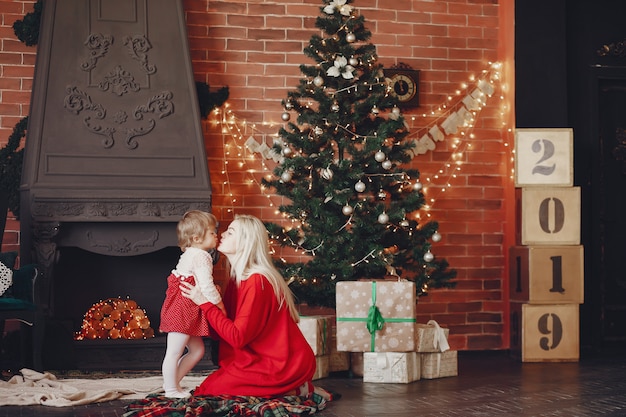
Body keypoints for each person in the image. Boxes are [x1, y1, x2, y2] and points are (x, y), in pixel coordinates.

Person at [179, 214, 317, 398]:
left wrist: (204, 303)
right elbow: (222, 328)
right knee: (208, 389)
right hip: (250, 357)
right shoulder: (235, 280)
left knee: (210, 392)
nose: (223, 234)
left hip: (280, 364)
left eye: (231, 231)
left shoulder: (257, 282)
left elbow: (236, 337)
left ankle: (295, 388)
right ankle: (283, 390)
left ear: (246, 242)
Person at [159, 210, 226, 399]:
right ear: (197, 238)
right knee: (174, 351)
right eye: (212, 232)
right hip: (183, 309)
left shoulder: (191, 252)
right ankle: (171, 389)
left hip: (184, 307)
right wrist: (219, 305)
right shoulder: (201, 256)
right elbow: (206, 286)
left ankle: (171, 382)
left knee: (197, 350)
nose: (216, 235)